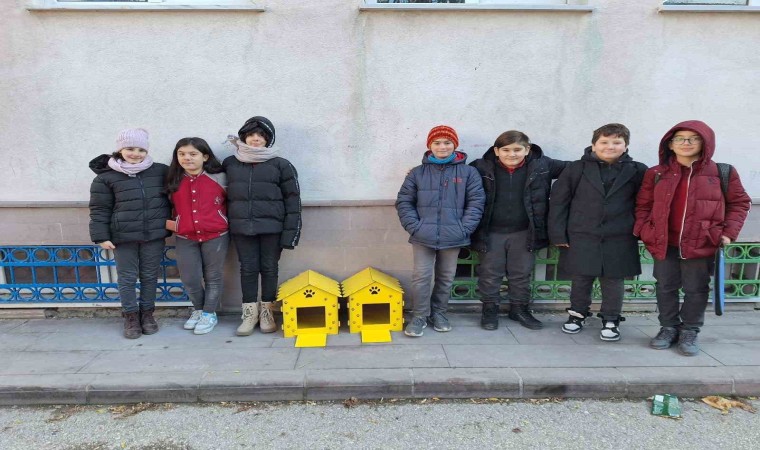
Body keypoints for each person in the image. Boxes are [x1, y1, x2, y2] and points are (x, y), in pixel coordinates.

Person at [634, 120, 750, 356]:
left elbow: (739, 203)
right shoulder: (656, 173)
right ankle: (668, 328)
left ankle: (690, 330)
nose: (686, 143)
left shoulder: (722, 172)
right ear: (670, 144)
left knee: (696, 289)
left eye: (693, 138)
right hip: (664, 242)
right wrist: (645, 230)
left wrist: (727, 233)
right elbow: (643, 205)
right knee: (665, 286)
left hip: (702, 241)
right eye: (680, 138)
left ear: (705, 143)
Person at [548, 123, 647, 341]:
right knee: (581, 278)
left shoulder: (638, 170)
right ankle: (577, 314)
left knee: (614, 280)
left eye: (617, 142)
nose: (610, 146)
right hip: (581, 234)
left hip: (620, 235)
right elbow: (559, 202)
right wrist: (558, 234)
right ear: (594, 145)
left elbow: (645, 203)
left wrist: (640, 230)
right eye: (604, 142)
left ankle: (611, 319)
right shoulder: (576, 169)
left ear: (626, 145)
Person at [470, 130, 568, 330]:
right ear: (496, 151)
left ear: (527, 149)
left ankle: (519, 309)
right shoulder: (481, 167)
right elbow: (455, 175)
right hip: (491, 231)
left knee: (521, 273)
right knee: (490, 273)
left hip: (524, 231)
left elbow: (578, 169)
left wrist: (600, 154)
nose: (512, 154)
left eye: (517, 149)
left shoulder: (542, 165)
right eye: (506, 150)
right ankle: (490, 309)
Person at [396, 125, 485, 337]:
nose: (442, 147)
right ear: (430, 145)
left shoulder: (469, 173)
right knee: (421, 277)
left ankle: (439, 313)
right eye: (437, 143)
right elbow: (404, 202)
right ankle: (419, 316)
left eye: (447, 142)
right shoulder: (417, 173)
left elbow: (476, 202)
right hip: (422, 236)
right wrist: (415, 227)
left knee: (446, 277)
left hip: (454, 236)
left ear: (455, 145)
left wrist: (464, 228)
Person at [89, 128, 171, 339]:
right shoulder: (106, 178)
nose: (136, 154)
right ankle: (131, 317)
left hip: (153, 235)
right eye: (130, 149)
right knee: (127, 278)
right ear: (120, 149)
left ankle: (147, 315)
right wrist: (101, 236)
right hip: (123, 237)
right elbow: (100, 209)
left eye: (141, 149)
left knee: (150, 276)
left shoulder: (160, 171)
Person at [223, 116, 301, 336]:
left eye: (261, 135)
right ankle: (249, 314)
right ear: (243, 137)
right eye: (251, 135)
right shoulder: (230, 163)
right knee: (247, 269)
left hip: (272, 229)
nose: (255, 139)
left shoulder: (281, 165)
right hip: (241, 227)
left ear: (268, 139)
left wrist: (291, 233)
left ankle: (267, 312)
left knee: (269, 268)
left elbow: (293, 201)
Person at [165, 137, 229, 335]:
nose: (187, 158)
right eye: (182, 154)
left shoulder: (220, 177)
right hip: (185, 237)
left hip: (216, 235)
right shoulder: (173, 179)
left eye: (193, 154)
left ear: (205, 156)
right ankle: (199, 309)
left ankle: (209, 313)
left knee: (213, 276)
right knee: (189, 277)